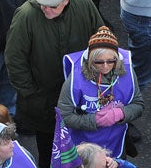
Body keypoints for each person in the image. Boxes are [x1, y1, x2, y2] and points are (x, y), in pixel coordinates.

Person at [4, 0, 104, 168]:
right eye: (42, 5)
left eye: (52, 6)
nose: (45, 9)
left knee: (82, 143)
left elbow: (100, 37)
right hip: (44, 100)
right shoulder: (25, 16)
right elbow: (15, 60)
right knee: (49, 150)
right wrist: (32, 95)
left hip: (81, 95)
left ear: (66, 0)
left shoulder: (83, 2)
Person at [59, 25, 144, 158]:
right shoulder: (76, 77)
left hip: (116, 142)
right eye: (99, 62)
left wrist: (120, 113)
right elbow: (64, 116)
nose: (105, 66)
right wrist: (95, 121)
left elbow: (138, 104)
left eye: (111, 61)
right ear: (90, 59)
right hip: (84, 147)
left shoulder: (127, 71)